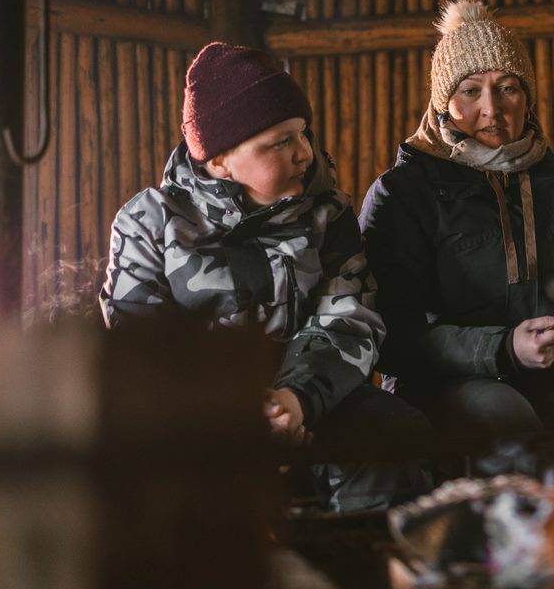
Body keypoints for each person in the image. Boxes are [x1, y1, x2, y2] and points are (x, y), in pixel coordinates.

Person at [100, 42, 430, 512]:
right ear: (218, 160)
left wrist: (294, 398)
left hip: (309, 399)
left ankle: (361, 566)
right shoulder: (149, 224)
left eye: (302, 134)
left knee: (389, 429)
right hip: (196, 417)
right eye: (279, 142)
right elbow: (141, 349)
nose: (303, 154)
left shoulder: (327, 213)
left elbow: (350, 316)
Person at [359, 0, 554, 441]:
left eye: (508, 88)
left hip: (552, 376)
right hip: (443, 386)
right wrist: (504, 349)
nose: (492, 108)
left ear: (528, 99)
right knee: (504, 415)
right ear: (445, 102)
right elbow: (391, 337)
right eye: (471, 90)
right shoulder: (403, 193)